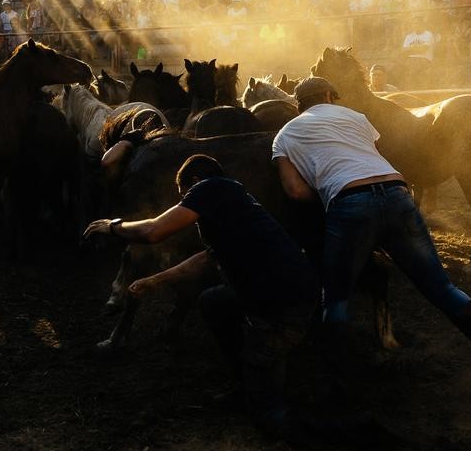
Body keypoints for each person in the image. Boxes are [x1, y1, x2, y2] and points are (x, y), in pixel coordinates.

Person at [272, 77, 471, 405]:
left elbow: (296, 191)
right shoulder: (358, 119)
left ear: (298, 106)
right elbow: (372, 159)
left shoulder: (284, 135)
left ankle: (340, 393)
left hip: (350, 205)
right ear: (331, 96)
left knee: (336, 301)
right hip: (397, 195)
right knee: (443, 290)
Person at [84, 154, 319, 437]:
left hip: (283, 299)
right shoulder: (233, 203)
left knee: (267, 411)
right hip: (277, 290)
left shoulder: (211, 188)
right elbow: (205, 259)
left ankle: (299, 424)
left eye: (184, 196)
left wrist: (113, 226)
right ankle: (246, 381)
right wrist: (154, 281)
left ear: (194, 182)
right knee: (213, 301)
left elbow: (153, 231)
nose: (184, 203)